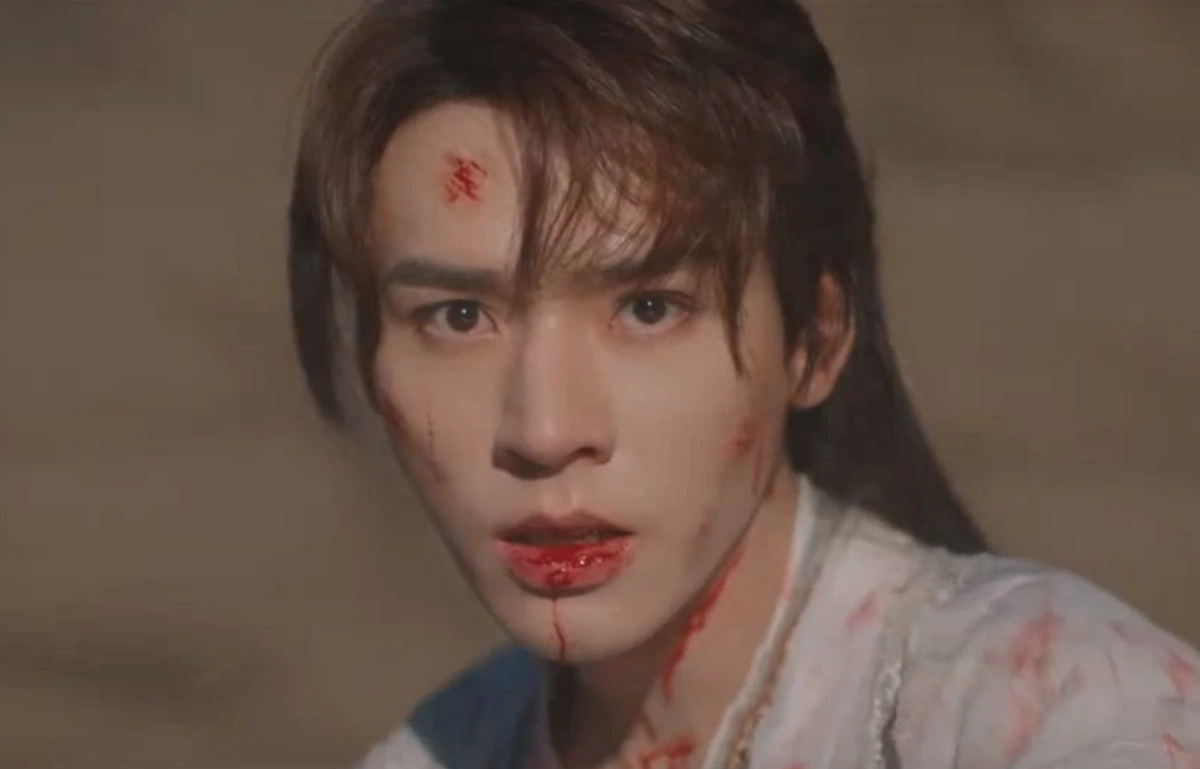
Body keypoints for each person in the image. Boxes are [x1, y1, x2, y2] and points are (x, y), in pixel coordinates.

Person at [286, 1, 1200, 767]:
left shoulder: (1055, 705)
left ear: (815, 338)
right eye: (457, 316)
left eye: (649, 307)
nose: (545, 428)